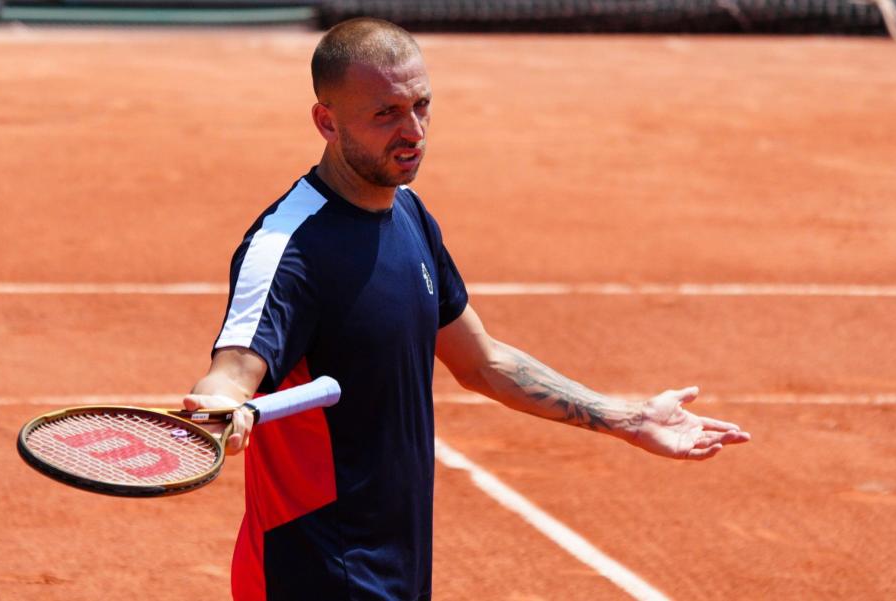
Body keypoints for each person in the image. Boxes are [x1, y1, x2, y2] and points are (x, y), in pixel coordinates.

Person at [184, 17, 750, 601]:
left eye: (421, 105)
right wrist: (223, 407)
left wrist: (626, 418)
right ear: (326, 121)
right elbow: (233, 369)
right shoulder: (288, 247)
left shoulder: (408, 215)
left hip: (395, 564)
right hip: (314, 570)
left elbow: (482, 362)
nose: (413, 131)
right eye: (386, 114)